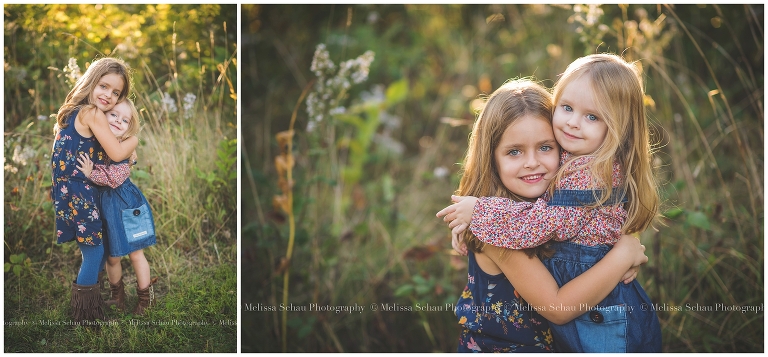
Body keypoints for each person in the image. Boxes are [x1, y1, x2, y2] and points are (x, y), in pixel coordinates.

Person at [439, 54, 662, 352]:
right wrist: (622, 255)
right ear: (490, 157)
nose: (532, 163)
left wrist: (625, 243)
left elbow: (588, 218)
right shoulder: (499, 229)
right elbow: (558, 307)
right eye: (514, 152)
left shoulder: (575, 179)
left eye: (546, 147)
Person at [51, 57, 137, 325]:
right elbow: (116, 151)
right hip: (81, 193)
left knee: (94, 247)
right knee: (94, 252)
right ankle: (85, 317)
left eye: (116, 93)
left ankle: (92, 303)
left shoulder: (71, 111)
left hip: (69, 192)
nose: (108, 96)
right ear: (91, 81)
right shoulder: (92, 114)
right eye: (104, 86)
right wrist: (133, 142)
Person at [76, 99, 158, 316]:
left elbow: (113, 178)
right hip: (105, 207)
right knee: (112, 256)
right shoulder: (99, 138)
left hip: (126, 205)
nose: (118, 121)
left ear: (130, 126)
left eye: (125, 120)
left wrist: (90, 173)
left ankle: (145, 298)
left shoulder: (124, 147)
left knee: (135, 253)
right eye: (113, 115)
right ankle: (117, 296)